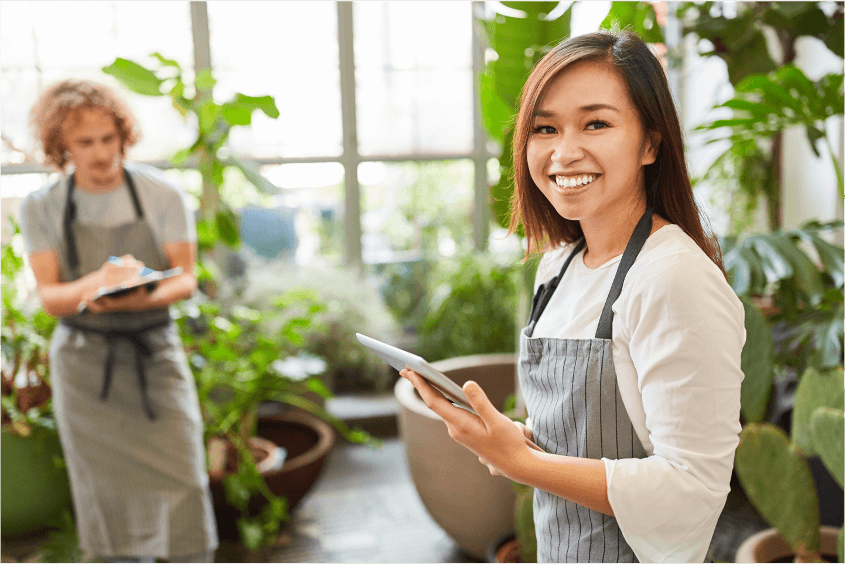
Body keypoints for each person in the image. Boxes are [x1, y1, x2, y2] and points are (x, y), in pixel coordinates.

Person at [401, 30, 744, 564]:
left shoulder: (673, 277)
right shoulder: (558, 269)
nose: (564, 152)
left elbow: (691, 489)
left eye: (596, 123)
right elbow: (592, 433)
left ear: (651, 143)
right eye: (544, 128)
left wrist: (521, 462)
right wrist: (508, 438)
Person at [20, 80, 218, 563]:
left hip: (154, 353)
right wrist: (97, 283)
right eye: (85, 143)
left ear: (123, 135)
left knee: (185, 482)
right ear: (60, 145)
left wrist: (135, 296)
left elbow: (186, 279)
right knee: (102, 497)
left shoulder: (161, 194)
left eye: (109, 138)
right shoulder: (40, 207)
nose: (101, 153)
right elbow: (51, 297)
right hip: (85, 369)